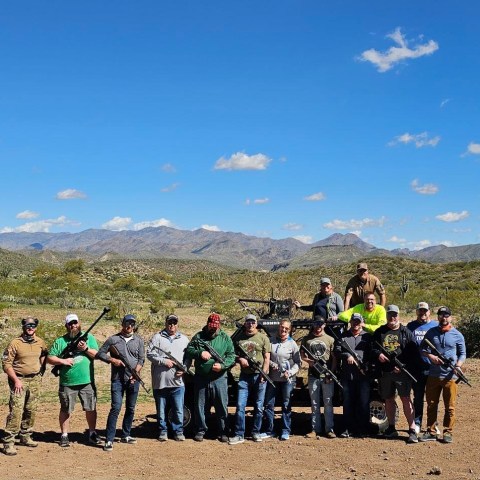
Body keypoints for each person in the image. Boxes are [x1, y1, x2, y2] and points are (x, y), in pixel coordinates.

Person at [48, 313, 101, 447]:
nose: (73, 326)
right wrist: (63, 360)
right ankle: (64, 435)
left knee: (91, 407)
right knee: (65, 409)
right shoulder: (60, 341)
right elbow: (50, 358)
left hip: (87, 381)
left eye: (75, 323)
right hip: (67, 382)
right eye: (70, 323)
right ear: (66, 325)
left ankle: (92, 433)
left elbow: (97, 355)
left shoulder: (89, 338)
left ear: (79, 323)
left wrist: (85, 349)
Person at [96, 314, 145, 451]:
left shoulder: (139, 341)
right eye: (127, 323)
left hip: (133, 380)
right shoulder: (113, 339)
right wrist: (113, 360)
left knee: (130, 408)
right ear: (122, 324)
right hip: (117, 380)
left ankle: (126, 434)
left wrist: (136, 372)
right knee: (116, 408)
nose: (129, 326)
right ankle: (109, 439)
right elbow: (100, 353)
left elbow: (141, 359)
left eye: (132, 324)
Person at [372, 305, 420, 444]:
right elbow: (372, 348)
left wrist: (404, 366)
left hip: (402, 373)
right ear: (386, 316)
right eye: (390, 315)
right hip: (386, 372)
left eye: (395, 315)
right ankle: (391, 427)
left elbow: (413, 353)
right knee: (388, 399)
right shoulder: (380, 332)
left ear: (399, 315)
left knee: (406, 398)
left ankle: (412, 429)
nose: (392, 317)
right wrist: (379, 354)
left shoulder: (406, 332)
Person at [185, 313, 235, 443]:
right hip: (201, 377)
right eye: (211, 326)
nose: (213, 328)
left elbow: (231, 356)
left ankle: (223, 431)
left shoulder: (225, 338)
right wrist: (200, 353)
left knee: (221, 406)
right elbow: (189, 350)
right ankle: (200, 430)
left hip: (219, 378)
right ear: (207, 324)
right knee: (200, 405)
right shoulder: (199, 336)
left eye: (216, 326)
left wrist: (223, 365)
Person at [419, 307, 467, 444]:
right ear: (438, 317)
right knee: (431, 405)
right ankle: (431, 431)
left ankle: (448, 432)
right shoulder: (431, 332)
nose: (444, 318)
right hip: (433, 375)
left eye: (446, 315)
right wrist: (431, 357)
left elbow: (462, 353)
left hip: (450, 376)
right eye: (441, 315)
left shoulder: (457, 335)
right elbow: (422, 348)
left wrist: (458, 366)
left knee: (450, 406)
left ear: (450, 317)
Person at [1, 317, 48, 456]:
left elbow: (44, 354)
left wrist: (41, 371)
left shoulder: (40, 342)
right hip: (19, 381)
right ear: (23, 326)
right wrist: (16, 380)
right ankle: (8, 442)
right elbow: (6, 364)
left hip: (35, 380)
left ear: (36, 327)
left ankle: (25, 436)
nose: (30, 328)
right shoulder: (15, 343)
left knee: (31, 409)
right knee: (16, 411)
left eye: (33, 325)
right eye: (28, 325)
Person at [228, 314, 271, 445]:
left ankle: (255, 432)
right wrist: (239, 359)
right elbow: (231, 354)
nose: (250, 324)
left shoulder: (263, 338)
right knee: (240, 406)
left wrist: (264, 374)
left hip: (259, 376)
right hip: (244, 377)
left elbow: (267, 357)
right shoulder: (239, 338)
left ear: (256, 323)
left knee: (259, 407)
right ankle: (239, 434)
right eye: (248, 322)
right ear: (245, 323)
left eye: (253, 322)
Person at [146, 314, 189, 442]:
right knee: (161, 410)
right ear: (165, 323)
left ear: (177, 324)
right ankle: (162, 431)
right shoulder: (157, 337)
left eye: (174, 323)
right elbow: (150, 354)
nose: (172, 325)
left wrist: (184, 368)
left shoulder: (184, 339)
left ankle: (178, 431)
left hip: (178, 382)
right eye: (170, 323)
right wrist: (164, 362)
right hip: (160, 382)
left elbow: (189, 357)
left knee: (178, 409)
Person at [261, 320, 301, 441]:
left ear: (290, 330)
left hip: (287, 380)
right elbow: (265, 356)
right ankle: (269, 430)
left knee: (286, 405)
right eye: (282, 327)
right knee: (269, 404)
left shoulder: (292, 344)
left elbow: (298, 363)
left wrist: (291, 372)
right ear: (279, 327)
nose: (283, 330)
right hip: (272, 379)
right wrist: (272, 364)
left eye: (286, 328)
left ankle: (285, 430)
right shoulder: (271, 341)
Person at [334, 313, 372, 438]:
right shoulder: (343, 336)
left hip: (363, 376)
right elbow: (337, 350)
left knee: (364, 403)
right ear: (350, 322)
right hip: (347, 375)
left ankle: (363, 429)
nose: (355, 324)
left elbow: (372, 353)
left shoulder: (367, 337)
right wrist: (347, 356)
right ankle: (347, 429)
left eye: (358, 321)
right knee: (348, 403)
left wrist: (365, 365)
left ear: (361, 322)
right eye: (353, 321)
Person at [300, 315, 337, 439]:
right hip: (313, 375)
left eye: (320, 324)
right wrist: (309, 361)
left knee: (328, 403)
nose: (318, 326)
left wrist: (330, 374)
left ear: (324, 325)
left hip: (326, 375)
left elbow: (334, 359)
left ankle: (329, 429)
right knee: (314, 403)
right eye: (316, 324)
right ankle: (315, 429)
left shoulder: (330, 339)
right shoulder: (307, 339)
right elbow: (302, 354)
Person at [406, 302, 438, 433]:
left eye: (425, 311)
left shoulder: (435, 326)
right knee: (418, 397)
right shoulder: (410, 326)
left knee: (432, 398)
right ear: (416, 312)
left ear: (429, 312)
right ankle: (417, 422)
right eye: (420, 311)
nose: (422, 313)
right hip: (416, 368)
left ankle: (433, 424)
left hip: (432, 368)